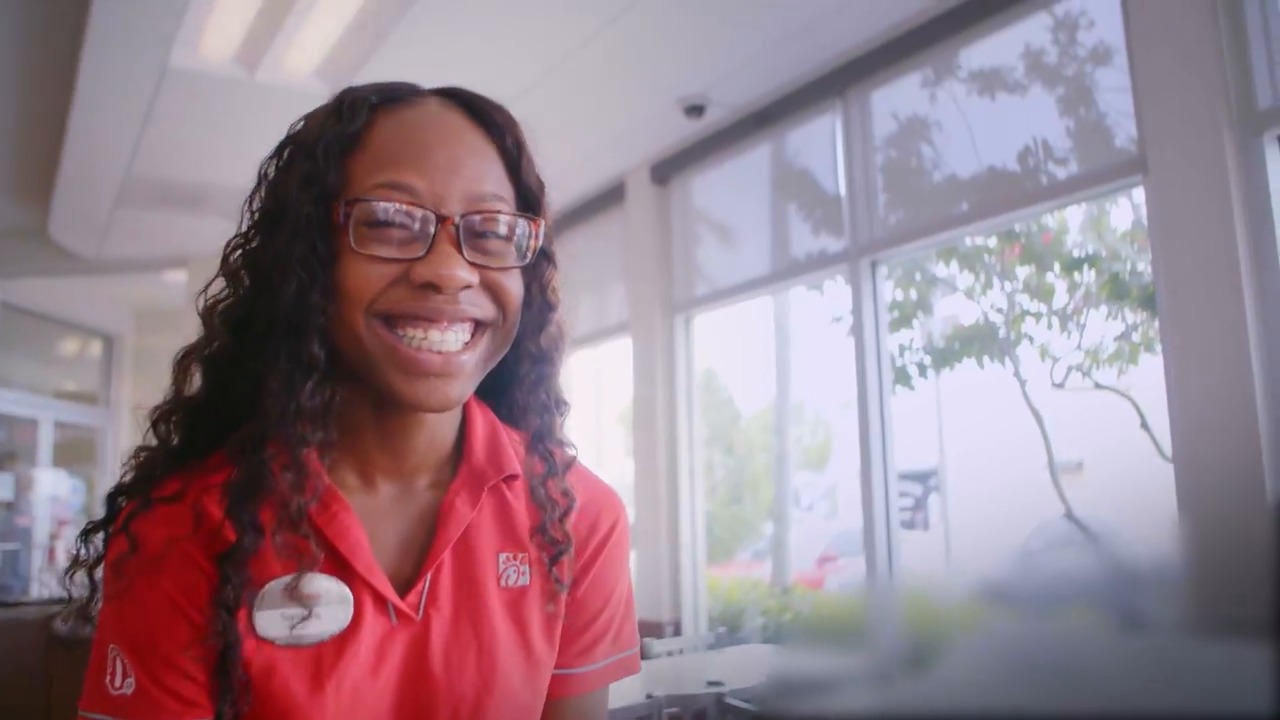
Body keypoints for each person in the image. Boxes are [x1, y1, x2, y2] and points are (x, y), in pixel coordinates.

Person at [65, 82, 640, 719]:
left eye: (492, 230)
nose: (450, 271)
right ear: (307, 262)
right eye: (391, 221)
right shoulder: (182, 527)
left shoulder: (576, 517)